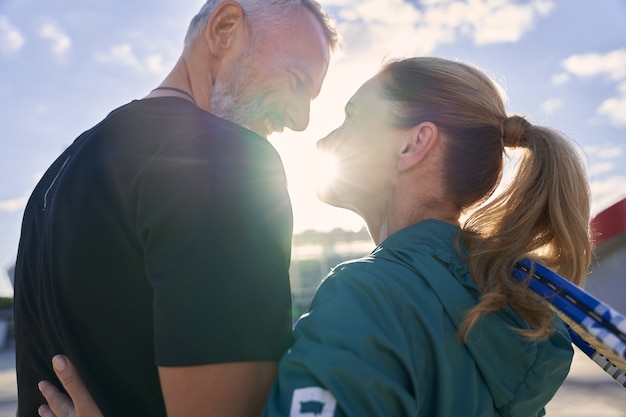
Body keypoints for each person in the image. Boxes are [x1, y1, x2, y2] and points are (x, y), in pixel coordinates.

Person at [38, 57, 591, 417]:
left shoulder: (371, 298)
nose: (325, 135)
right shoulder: (502, 310)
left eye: (352, 117)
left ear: (413, 145)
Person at [14, 1, 338, 416]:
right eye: (296, 80)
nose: (301, 120)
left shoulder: (55, 176)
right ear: (224, 29)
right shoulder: (227, 160)